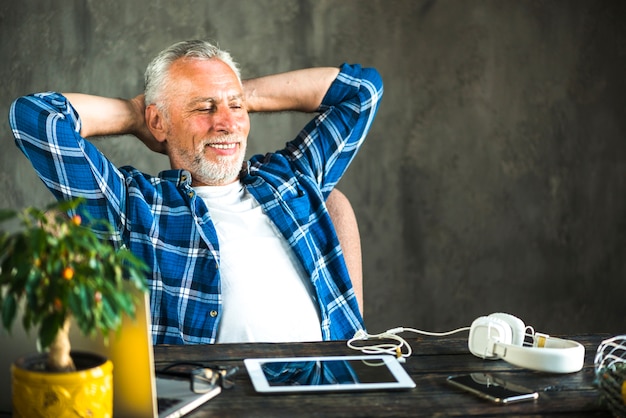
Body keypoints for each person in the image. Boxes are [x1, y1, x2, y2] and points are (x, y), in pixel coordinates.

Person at [9, 40, 383, 345]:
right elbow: (36, 117)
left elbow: (361, 92)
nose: (226, 123)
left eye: (237, 107)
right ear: (158, 120)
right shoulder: (133, 205)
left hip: (335, 381)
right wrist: (135, 115)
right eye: (204, 108)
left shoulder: (291, 178)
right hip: (216, 394)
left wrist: (232, 94)